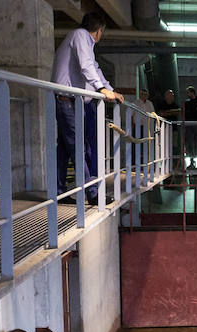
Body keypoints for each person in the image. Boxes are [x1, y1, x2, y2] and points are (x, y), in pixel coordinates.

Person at [50, 12, 124, 205]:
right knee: (77, 146)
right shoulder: (81, 36)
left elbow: (94, 67)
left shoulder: (80, 39)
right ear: (99, 31)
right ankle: (91, 193)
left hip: (70, 100)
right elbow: (86, 66)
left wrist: (109, 89)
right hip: (67, 100)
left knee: (66, 148)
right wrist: (101, 89)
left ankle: (59, 192)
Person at [183, 86, 197, 169]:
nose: (187, 94)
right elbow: (188, 113)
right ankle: (192, 161)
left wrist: (193, 111)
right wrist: (195, 110)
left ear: (192, 92)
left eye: (188, 92)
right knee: (190, 144)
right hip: (190, 125)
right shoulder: (187, 102)